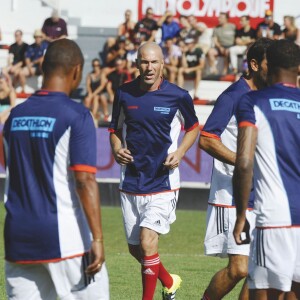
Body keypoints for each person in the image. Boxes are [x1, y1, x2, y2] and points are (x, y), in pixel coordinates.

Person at [3, 39, 109, 300]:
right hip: (67, 241)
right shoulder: (77, 115)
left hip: (18, 241)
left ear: (42, 70)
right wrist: (97, 238)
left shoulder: (14, 117)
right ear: (76, 71)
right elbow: (84, 180)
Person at [109, 42, 199, 300]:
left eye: (154, 62)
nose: (149, 67)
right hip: (131, 180)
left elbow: (193, 127)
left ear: (163, 64)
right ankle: (170, 281)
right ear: (137, 63)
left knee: (148, 241)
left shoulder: (179, 95)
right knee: (136, 250)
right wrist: (116, 148)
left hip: (163, 182)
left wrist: (180, 153)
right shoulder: (124, 93)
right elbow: (114, 129)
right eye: (144, 62)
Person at [199, 38, 274, 300]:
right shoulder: (233, 95)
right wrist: (243, 162)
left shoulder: (267, 98)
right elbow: (207, 138)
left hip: (263, 196)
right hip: (231, 195)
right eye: (269, 64)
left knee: (259, 270)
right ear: (253, 65)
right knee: (240, 269)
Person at [233, 39, 300, 300]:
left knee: (266, 294)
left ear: (267, 65)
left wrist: (241, 215)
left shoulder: (252, 102)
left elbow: (245, 162)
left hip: (275, 216)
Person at [84, 58, 109, 123]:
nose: (95, 67)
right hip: (92, 92)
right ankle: (86, 115)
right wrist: (90, 93)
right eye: (94, 65)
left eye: (97, 65)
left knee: (97, 97)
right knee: (87, 99)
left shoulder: (102, 73)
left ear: (99, 65)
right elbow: (88, 85)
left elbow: (102, 86)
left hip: (100, 92)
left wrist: (93, 94)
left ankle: (96, 114)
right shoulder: (90, 75)